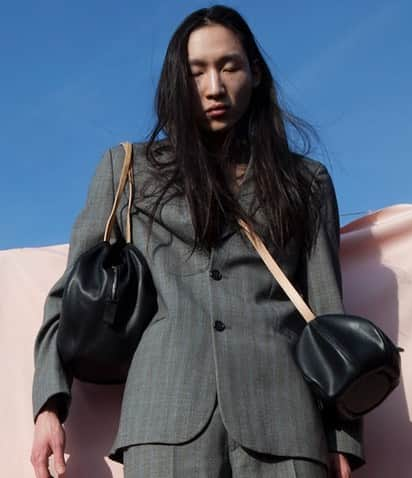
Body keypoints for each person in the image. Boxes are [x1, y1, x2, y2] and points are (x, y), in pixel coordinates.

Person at [31, 5, 364, 478]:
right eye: (197, 71)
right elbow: (68, 296)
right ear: (177, 82)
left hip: (287, 425)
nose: (214, 87)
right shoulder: (127, 170)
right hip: (164, 420)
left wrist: (343, 434)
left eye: (229, 66)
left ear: (256, 73)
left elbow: (327, 309)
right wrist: (49, 407)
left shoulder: (305, 181)